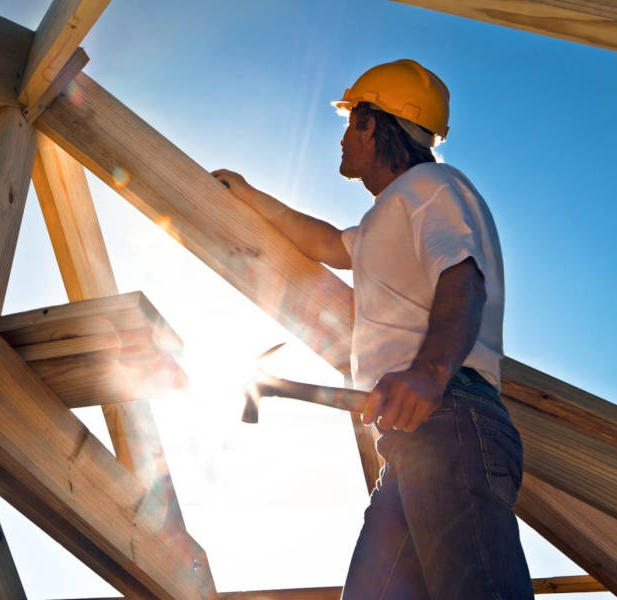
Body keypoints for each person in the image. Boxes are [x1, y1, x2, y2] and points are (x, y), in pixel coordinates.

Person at [212, 59, 532, 599]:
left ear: (370, 123)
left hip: (450, 415)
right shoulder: (390, 215)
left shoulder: (432, 186)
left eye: (349, 122)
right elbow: (322, 243)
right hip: (412, 438)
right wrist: (244, 194)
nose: (342, 138)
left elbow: (463, 277)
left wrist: (429, 374)